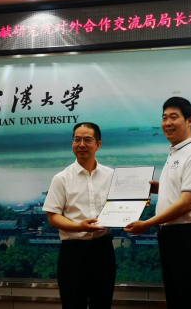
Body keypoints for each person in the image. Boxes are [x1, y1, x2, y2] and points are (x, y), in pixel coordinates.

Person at [125, 97, 191, 309]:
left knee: (190, 300)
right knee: (176, 298)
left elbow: (185, 204)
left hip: (189, 237)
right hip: (172, 237)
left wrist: (147, 224)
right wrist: (153, 188)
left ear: (189, 120)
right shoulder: (176, 152)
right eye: (164, 118)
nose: (167, 123)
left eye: (174, 117)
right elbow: (177, 190)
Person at [43, 122, 115, 309]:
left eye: (87, 140)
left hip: (103, 249)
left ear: (98, 145)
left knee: (103, 304)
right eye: (77, 140)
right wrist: (79, 227)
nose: (81, 144)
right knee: (73, 304)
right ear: (72, 144)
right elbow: (53, 217)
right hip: (72, 252)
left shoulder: (111, 176)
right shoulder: (61, 178)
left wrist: (137, 204)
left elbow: (121, 206)